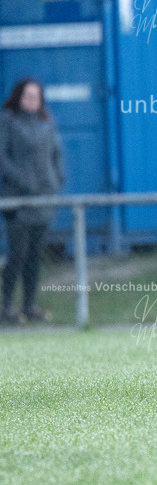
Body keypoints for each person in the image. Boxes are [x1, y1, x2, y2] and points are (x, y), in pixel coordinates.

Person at [0, 78, 64, 324]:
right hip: (18, 201)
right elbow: (3, 158)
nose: (32, 100)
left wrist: (57, 178)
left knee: (35, 255)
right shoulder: (7, 120)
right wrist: (22, 180)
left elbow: (56, 152)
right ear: (18, 97)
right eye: (28, 96)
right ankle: (6, 305)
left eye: (36, 96)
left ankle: (29, 305)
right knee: (18, 254)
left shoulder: (46, 121)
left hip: (44, 199)